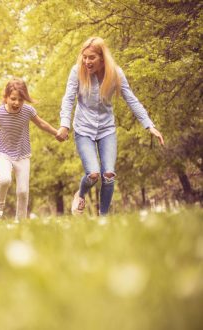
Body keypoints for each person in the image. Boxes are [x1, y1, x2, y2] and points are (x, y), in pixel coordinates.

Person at [56, 37, 164, 216]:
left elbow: (132, 99)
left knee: (108, 175)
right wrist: (64, 125)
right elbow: (68, 99)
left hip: (106, 129)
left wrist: (149, 125)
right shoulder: (77, 71)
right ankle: (81, 194)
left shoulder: (115, 73)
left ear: (102, 57)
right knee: (93, 174)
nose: (87, 62)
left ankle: (103, 219)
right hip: (83, 129)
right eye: (84, 57)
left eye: (91, 58)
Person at [0, 79, 60, 223]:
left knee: (22, 191)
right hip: (3, 153)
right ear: (6, 97)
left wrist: (56, 132)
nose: (16, 102)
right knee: (4, 179)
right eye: (13, 99)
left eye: (20, 99)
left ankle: (19, 221)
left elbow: (41, 123)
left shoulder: (28, 111)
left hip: (23, 155)